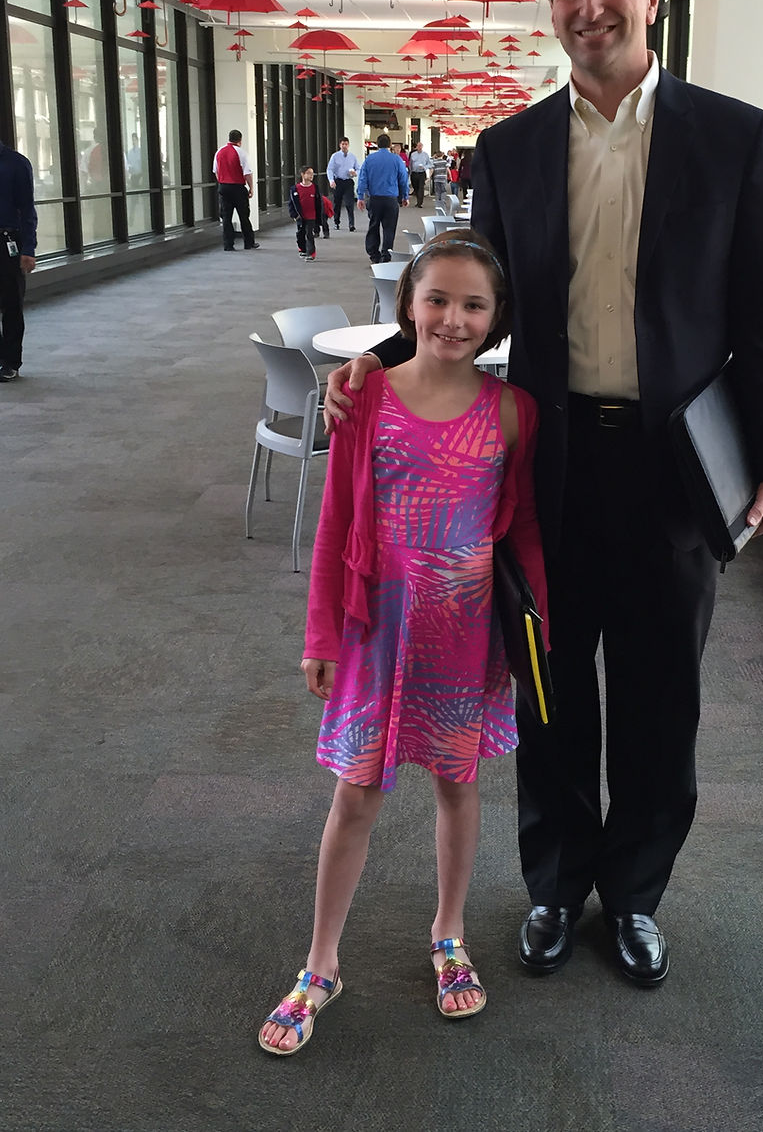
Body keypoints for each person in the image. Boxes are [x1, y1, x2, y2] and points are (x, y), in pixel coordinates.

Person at [324, 0, 763, 989]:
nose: (587, 6)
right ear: (550, 7)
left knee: (657, 692)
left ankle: (632, 894)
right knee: (545, 689)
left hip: (670, 470)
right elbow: (472, 302)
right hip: (542, 470)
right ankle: (553, 883)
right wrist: (386, 354)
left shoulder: (732, 137)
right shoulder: (509, 146)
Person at [257, 229, 547, 1056]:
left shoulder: (510, 411)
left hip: (463, 635)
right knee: (355, 792)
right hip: (376, 627)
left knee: (458, 784)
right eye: (437, 299)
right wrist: (321, 632)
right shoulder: (366, 398)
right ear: (406, 305)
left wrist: (536, 635)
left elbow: (521, 530)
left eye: (473, 305)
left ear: (496, 320)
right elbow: (337, 523)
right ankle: (321, 961)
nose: (453, 318)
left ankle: (449, 931)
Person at [0, 139, 37, 383]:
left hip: (6, 242)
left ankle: (11, 361)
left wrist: (28, 248)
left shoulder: (16, 164)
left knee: (11, 303)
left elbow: (27, 209)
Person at [355, 133, 409, 263]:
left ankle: (374, 254)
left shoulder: (369, 159)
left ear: (377, 145)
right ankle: (386, 254)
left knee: (373, 226)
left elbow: (363, 179)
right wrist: (405, 196)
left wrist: (360, 196)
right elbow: (403, 179)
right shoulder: (396, 160)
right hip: (391, 199)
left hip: (375, 199)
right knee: (389, 228)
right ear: (390, 145)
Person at [213, 128, 258, 251]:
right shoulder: (241, 153)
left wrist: (222, 183)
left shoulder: (219, 152)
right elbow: (247, 173)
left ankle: (228, 244)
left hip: (223, 187)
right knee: (244, 216)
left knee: (226, 217)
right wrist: (251, 188)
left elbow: (216, 171)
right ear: (240, 140)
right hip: (237, 187)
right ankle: (249, 243)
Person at [288, 164, 332, 260]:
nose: (311, 176)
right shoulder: (295, 189)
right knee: (300, 233)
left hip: (311, 216)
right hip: (300, 216)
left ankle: (311, 253)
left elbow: (318, 202)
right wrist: (294, 215)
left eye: (312, 174)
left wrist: (320, 215)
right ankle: (302, 249)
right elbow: (291, 204)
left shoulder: (315, 188)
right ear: (303, 175)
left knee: (309, 234)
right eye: (308, 173)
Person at [326, 136, 359, 232]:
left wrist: (355, 173)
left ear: (348, 145)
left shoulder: (352, 157)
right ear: (340, 145)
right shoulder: (335, 156)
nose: (344, 146)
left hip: (348, 181)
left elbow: (358, 168)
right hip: (338, 182)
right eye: (342, 144)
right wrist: (331, 180)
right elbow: (330, 169)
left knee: (349, 203)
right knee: (337, 203)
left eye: (346, 144)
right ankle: (336, 222)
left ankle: (351, 224)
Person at [409, 141, 432, 208]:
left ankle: (420, 203)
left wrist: (424, 167)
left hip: (421, 173)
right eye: (418, 146)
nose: (419, 147)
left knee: (421, 188)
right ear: (416, 147)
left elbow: (430, 164)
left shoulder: (425, 155)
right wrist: (410, 171)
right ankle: (418, 199)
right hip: (414, 173)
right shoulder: (413, 154)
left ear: (422, 147)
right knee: (415, 187)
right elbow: (410, 163)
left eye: (420, 146)